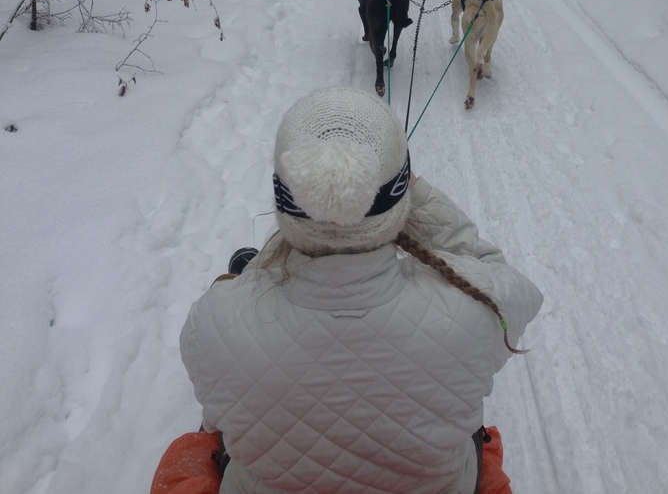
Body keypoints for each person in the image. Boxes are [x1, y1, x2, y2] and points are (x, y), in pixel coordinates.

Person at [180, 87, 543, 494]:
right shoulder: (475, 309)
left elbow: (216, 416)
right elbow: (503, 278)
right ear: (399, 195)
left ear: (283, 203)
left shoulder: (211, 321)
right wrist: (416, 193)